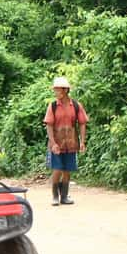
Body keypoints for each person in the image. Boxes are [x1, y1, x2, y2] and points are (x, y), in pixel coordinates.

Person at [43, 76, 88, 206]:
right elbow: (49, 125)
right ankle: (55, 196)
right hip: (56, 143)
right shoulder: (52, 106)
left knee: (67, 171)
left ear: (65, 90)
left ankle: (64, 196)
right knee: (57, 169)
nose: (55, 92)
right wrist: (53, 143)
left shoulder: (75, 105)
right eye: (55, 90)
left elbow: (82, 123)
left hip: (71, 143)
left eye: (57, 90)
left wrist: (82, 141)